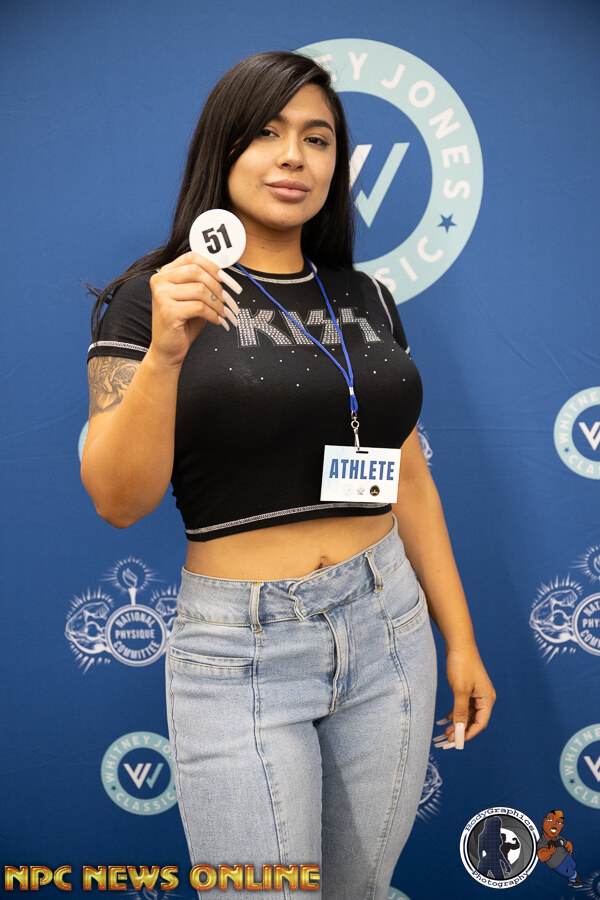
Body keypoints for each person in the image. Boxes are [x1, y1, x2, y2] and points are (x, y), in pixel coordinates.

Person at [82, 50, 495, 900]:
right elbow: (119, 501)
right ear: (224, 149)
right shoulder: (154, 296)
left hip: (388, 628)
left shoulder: (367, 298)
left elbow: (407, 479)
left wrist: (459, 637)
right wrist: (165, 354)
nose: (293, 157)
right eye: (267, 134)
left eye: (317, 138)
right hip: (240, 649)